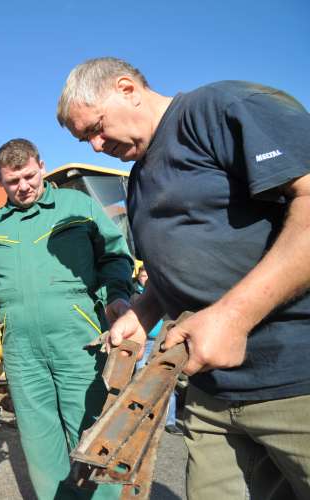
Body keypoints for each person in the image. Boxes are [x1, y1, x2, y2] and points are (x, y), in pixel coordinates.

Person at [58, 57, 310, 498]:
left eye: (96, 128)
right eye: (85, 140)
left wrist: (233, 316)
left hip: (295, 381)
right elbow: (176, 265)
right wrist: (144, 310)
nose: (95, 146)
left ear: (126, 88)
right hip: (208, 392)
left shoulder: (221, 109)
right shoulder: (139, 179)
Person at [0, 138, 134, 499]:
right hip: (22, 352)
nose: (23, 186)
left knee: (93, 434)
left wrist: (118, 295)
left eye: (28, 176)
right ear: (0, 182)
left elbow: (115, 256)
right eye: (12, 181)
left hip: (79, 344)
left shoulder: (78, 207)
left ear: (41, 166)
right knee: (39, 443)